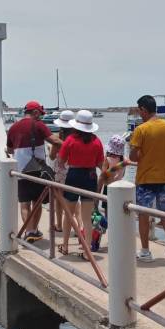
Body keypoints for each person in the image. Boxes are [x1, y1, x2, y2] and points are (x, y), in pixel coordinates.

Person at [129, 95, 165, 264]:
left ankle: (145, 251)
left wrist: (143, 153)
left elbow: (133, 157)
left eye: (139, 111)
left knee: (143, 214)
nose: (138, 114)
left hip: (146, 179)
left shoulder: (141, 129)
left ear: (143, 109)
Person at [6, 101, 62, 243]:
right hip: (38, 169)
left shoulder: (12, 128)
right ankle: (34, 231)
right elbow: (55, 141)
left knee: (24, 203)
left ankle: (30, 231)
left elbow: (10, 150)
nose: (41, 118)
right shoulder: (38, 125)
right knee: (37, 202)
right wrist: (70, 146)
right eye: (40, 114)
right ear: (36, 112)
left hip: (20, 171)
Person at [56, 110, 104, 257]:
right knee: (86, 217)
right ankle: (87, 249)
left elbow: (61, 162)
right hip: (90, 176)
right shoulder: (97, 141)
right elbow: (101, 164)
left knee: (69, 214)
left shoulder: (70, 140)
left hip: (74, 175)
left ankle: (64, 246)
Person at [48, 110, 75, 232]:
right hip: (73, 171)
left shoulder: (58, 139)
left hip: (59, 171)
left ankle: (59, 225)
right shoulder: (76, 138)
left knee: (58, 200)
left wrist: (50, 149)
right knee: (72, 200)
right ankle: (76, 224)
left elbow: (52, 156)